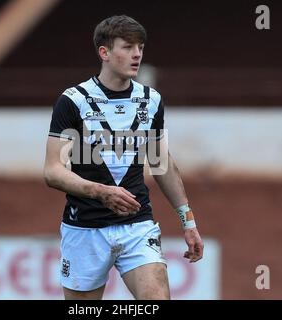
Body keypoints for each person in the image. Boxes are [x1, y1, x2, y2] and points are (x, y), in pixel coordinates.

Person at [44, 15, 203, 300]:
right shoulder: (74, 101)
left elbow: (161, 164)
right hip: (85, 228)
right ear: (104, 53)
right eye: (128, 47)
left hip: (137, 225)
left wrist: (188, 222)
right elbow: (53, 171)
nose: (137, 54)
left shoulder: (150, 100)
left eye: (140, 47)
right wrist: (100, 191)